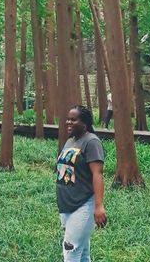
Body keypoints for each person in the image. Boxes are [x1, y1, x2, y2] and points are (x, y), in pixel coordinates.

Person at [55, 106, 106, 262]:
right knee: (82, 253)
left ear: (84, 124)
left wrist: (99, 206)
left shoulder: (91, 142)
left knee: (71, 249)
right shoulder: (71, 141)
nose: (68, 122)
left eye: (73, 119)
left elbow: (97, 174)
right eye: (68, 119)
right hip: (66, 204)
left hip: (83, 204)